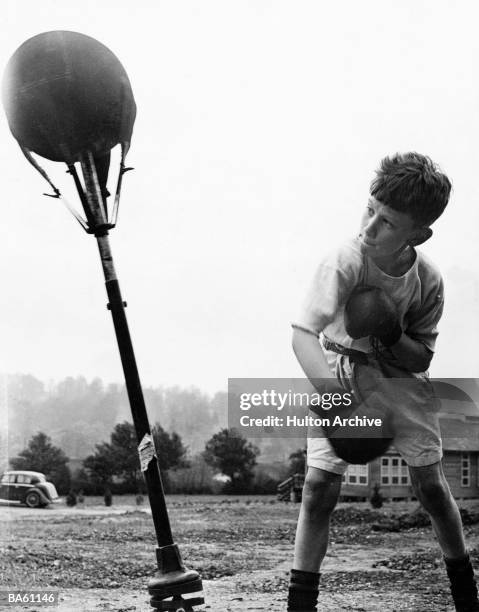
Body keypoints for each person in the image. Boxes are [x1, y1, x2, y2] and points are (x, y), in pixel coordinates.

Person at [287, 152, 479, 612]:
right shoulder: (345, 259)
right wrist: (335, 400)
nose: (369, 228)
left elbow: (423, 354)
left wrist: (391, 331)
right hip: (341, 371)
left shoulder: (428, 279)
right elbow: (302, 336)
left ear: (418, 233)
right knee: (318, 488)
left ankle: (466, 594)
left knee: (431, 486)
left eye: (387, 222)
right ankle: (299, 605)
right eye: (369, 209)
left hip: (402, 378)